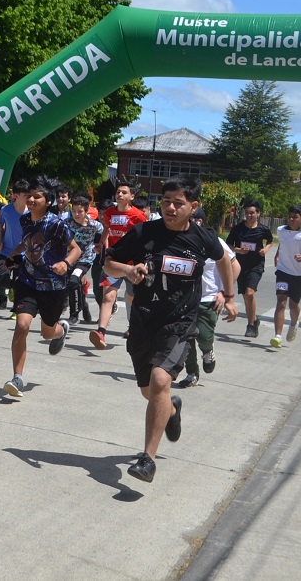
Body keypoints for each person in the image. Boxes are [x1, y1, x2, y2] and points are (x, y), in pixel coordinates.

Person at [105, 175, 236, 483]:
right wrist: (128, 269)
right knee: (151, 392)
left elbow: (224, 262)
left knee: (160, 378)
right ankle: (172, 411)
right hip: (144, 320)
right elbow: (108, 262)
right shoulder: (143, 232)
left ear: (193, 206)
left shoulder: (204, 238)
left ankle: (147, 459)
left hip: (181, 321)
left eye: (178, 203)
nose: (171, 208)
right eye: (166, 202)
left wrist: (228, 296)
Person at [2, 176, 81, 398]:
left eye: (37, 196)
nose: (31, 199)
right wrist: (14, 254)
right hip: (27, 282)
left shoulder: (56, 224)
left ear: (48, 201)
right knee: (22, 325)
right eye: (30, 195)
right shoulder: (25, 220)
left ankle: (60, 331)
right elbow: (26, 243)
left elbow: (75, 249)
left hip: (53, 287)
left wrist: (65, 263)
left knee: (48, 333)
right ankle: (17, 378)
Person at [177, 207, 239, 387]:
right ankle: (191, 374)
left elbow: (235, 267)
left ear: (201, 221)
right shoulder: (180, 240)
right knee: (186, 337)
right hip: (185, 299)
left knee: (203, 335)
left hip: (210, 298)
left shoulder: (215, 241)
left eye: (195, 219)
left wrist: (224, 293)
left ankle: (207, 350)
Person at [90, 180, 146, 350]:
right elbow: (107, 228)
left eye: (124, 192)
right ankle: (100, 332)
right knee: (108, 297)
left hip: (132, 264)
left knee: (131, 298)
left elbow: (144, 238)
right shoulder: (109, 213)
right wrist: (101, 244)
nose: (119, 195)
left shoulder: (138, 216)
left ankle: (133, 327)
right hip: (114, 262)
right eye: (118, 192)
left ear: (132, 196)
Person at [226, 200, 274, 338]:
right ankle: (254, 320)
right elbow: (228, 244)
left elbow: (270, 241)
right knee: (246, 296)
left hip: (256, 265)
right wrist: (238, 250)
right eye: (247, 213)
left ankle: (251, 325)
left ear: (258, 213)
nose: (249, 215)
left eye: (252, 213)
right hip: (241, 265)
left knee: (249, 293)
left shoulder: (263, 229)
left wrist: (266, 249)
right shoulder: (238, 229)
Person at [65, 194, 102, 325]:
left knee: (73, 281)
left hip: (85, 259)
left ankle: (74, 315)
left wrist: (99, 246)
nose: (76, 214)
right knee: (74, 286)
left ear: (86, 210)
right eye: (73, 211)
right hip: (69, 259)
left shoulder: (94, 225)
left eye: (79, 211)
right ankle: (84, 305)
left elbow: (103, 235)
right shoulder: (66, 224)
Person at [0, 179, 30, 311]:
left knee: (19, 279)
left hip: (23, 254)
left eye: (29, 195)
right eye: (25, 195)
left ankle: (17, 309)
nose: (28, 198)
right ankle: (12, 288)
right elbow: (0, 225)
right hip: (6, 252)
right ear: (16, 195)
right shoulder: (6, 210)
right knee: (0, 277)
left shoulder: (31, 212)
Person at [270, 206, 301, 348]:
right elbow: (282, 244)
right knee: (281, 302)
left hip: (298, 275)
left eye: (295, 217)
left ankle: (294, 324)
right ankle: (278, 336)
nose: (291, 219)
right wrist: (277, 255)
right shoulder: (281, 230)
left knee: (294, 305)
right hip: (283, 272)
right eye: (289, 216)